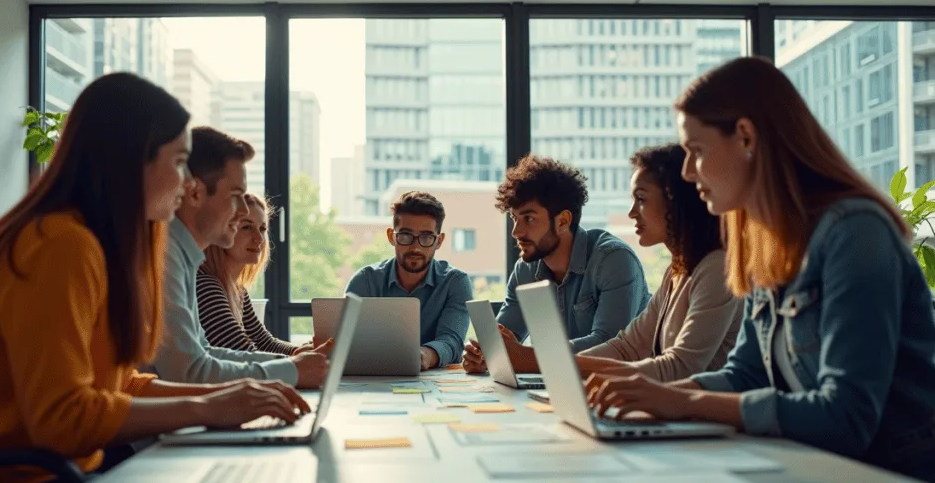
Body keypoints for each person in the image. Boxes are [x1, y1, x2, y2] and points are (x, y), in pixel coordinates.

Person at [0, 73, 311, 483]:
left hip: (58, 482)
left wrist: (224, 396)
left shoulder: (97, 244)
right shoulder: (59, 245)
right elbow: (61, 419)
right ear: (132, 162)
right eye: (178, 162)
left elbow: (118, 382)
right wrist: (205, 407)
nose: (187, 182)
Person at [590, 56, 935, 483]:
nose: (686, 172)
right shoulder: (767, 245)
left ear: (746, 136)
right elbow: (745, 374)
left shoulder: (855, 234)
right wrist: (655, 398)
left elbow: (845, 417)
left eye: (696, 151)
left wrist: (680, 403)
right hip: (816, 476)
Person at [153, 126, 330, 388]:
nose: (243, 209)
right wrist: (292, 370)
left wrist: (295, 364)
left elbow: (204, 353)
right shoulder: (167, 257)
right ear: (195, 193)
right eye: (236, 196)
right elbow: (188, 372)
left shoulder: (184, 258)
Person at [462, 154, 650, 374]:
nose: (516, 232)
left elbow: (608, 345)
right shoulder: (525, 269)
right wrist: (484, 354)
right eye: (514, 219)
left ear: (562, 221)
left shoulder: (613, 259)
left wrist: (530, 357)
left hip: (622, 388)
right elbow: (505, 340)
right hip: (560, 385)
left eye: (529, 218)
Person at [573, 144, 741, 382]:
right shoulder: (676, 271)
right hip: (674, 412)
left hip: (703, 416)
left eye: (641, 199)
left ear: (676, 201)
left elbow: (681, 367)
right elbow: (627, 348)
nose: (632, 212)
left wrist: (593, 373)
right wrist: (566, 367)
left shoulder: (717, 268)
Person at [345, 191, 472, 370]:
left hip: (435, 382)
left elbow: (452, 341)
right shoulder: (364, 281)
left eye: (427, 237)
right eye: (405, 236)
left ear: (439, 241)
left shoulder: (456, 282)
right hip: (373, 378)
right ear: (392, 236)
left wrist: (425, 356)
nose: (415, 247)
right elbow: (345, 341)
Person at [197, 193, 316, 355]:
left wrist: (301, 352)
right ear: (224, 230)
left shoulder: (237, 289)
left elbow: (262, 341)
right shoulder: (206, 286)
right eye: (246, 227)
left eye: (262, 229)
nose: (259, 238)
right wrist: (299, 362)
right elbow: (242, 352)